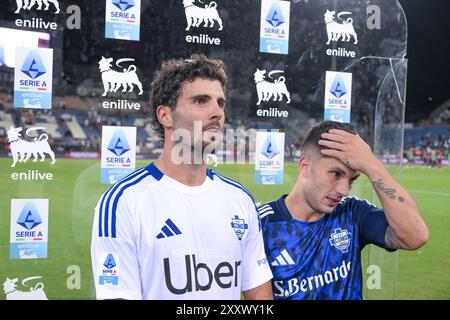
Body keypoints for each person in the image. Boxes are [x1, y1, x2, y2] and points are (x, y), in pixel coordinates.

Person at [91, 54, 273, 300]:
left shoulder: (240, 199)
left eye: (221, 103)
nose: (217, 112)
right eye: (201, 101)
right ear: (165, 116)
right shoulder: (122, 203)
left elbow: (259, 294)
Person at [258, 121, 429, 300]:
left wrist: (372, 166)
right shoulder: (262, 225)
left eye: (352, 180)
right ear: (305, 166)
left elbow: (416, 236)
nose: (344, 190)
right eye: (336, 174)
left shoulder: (352, 213)